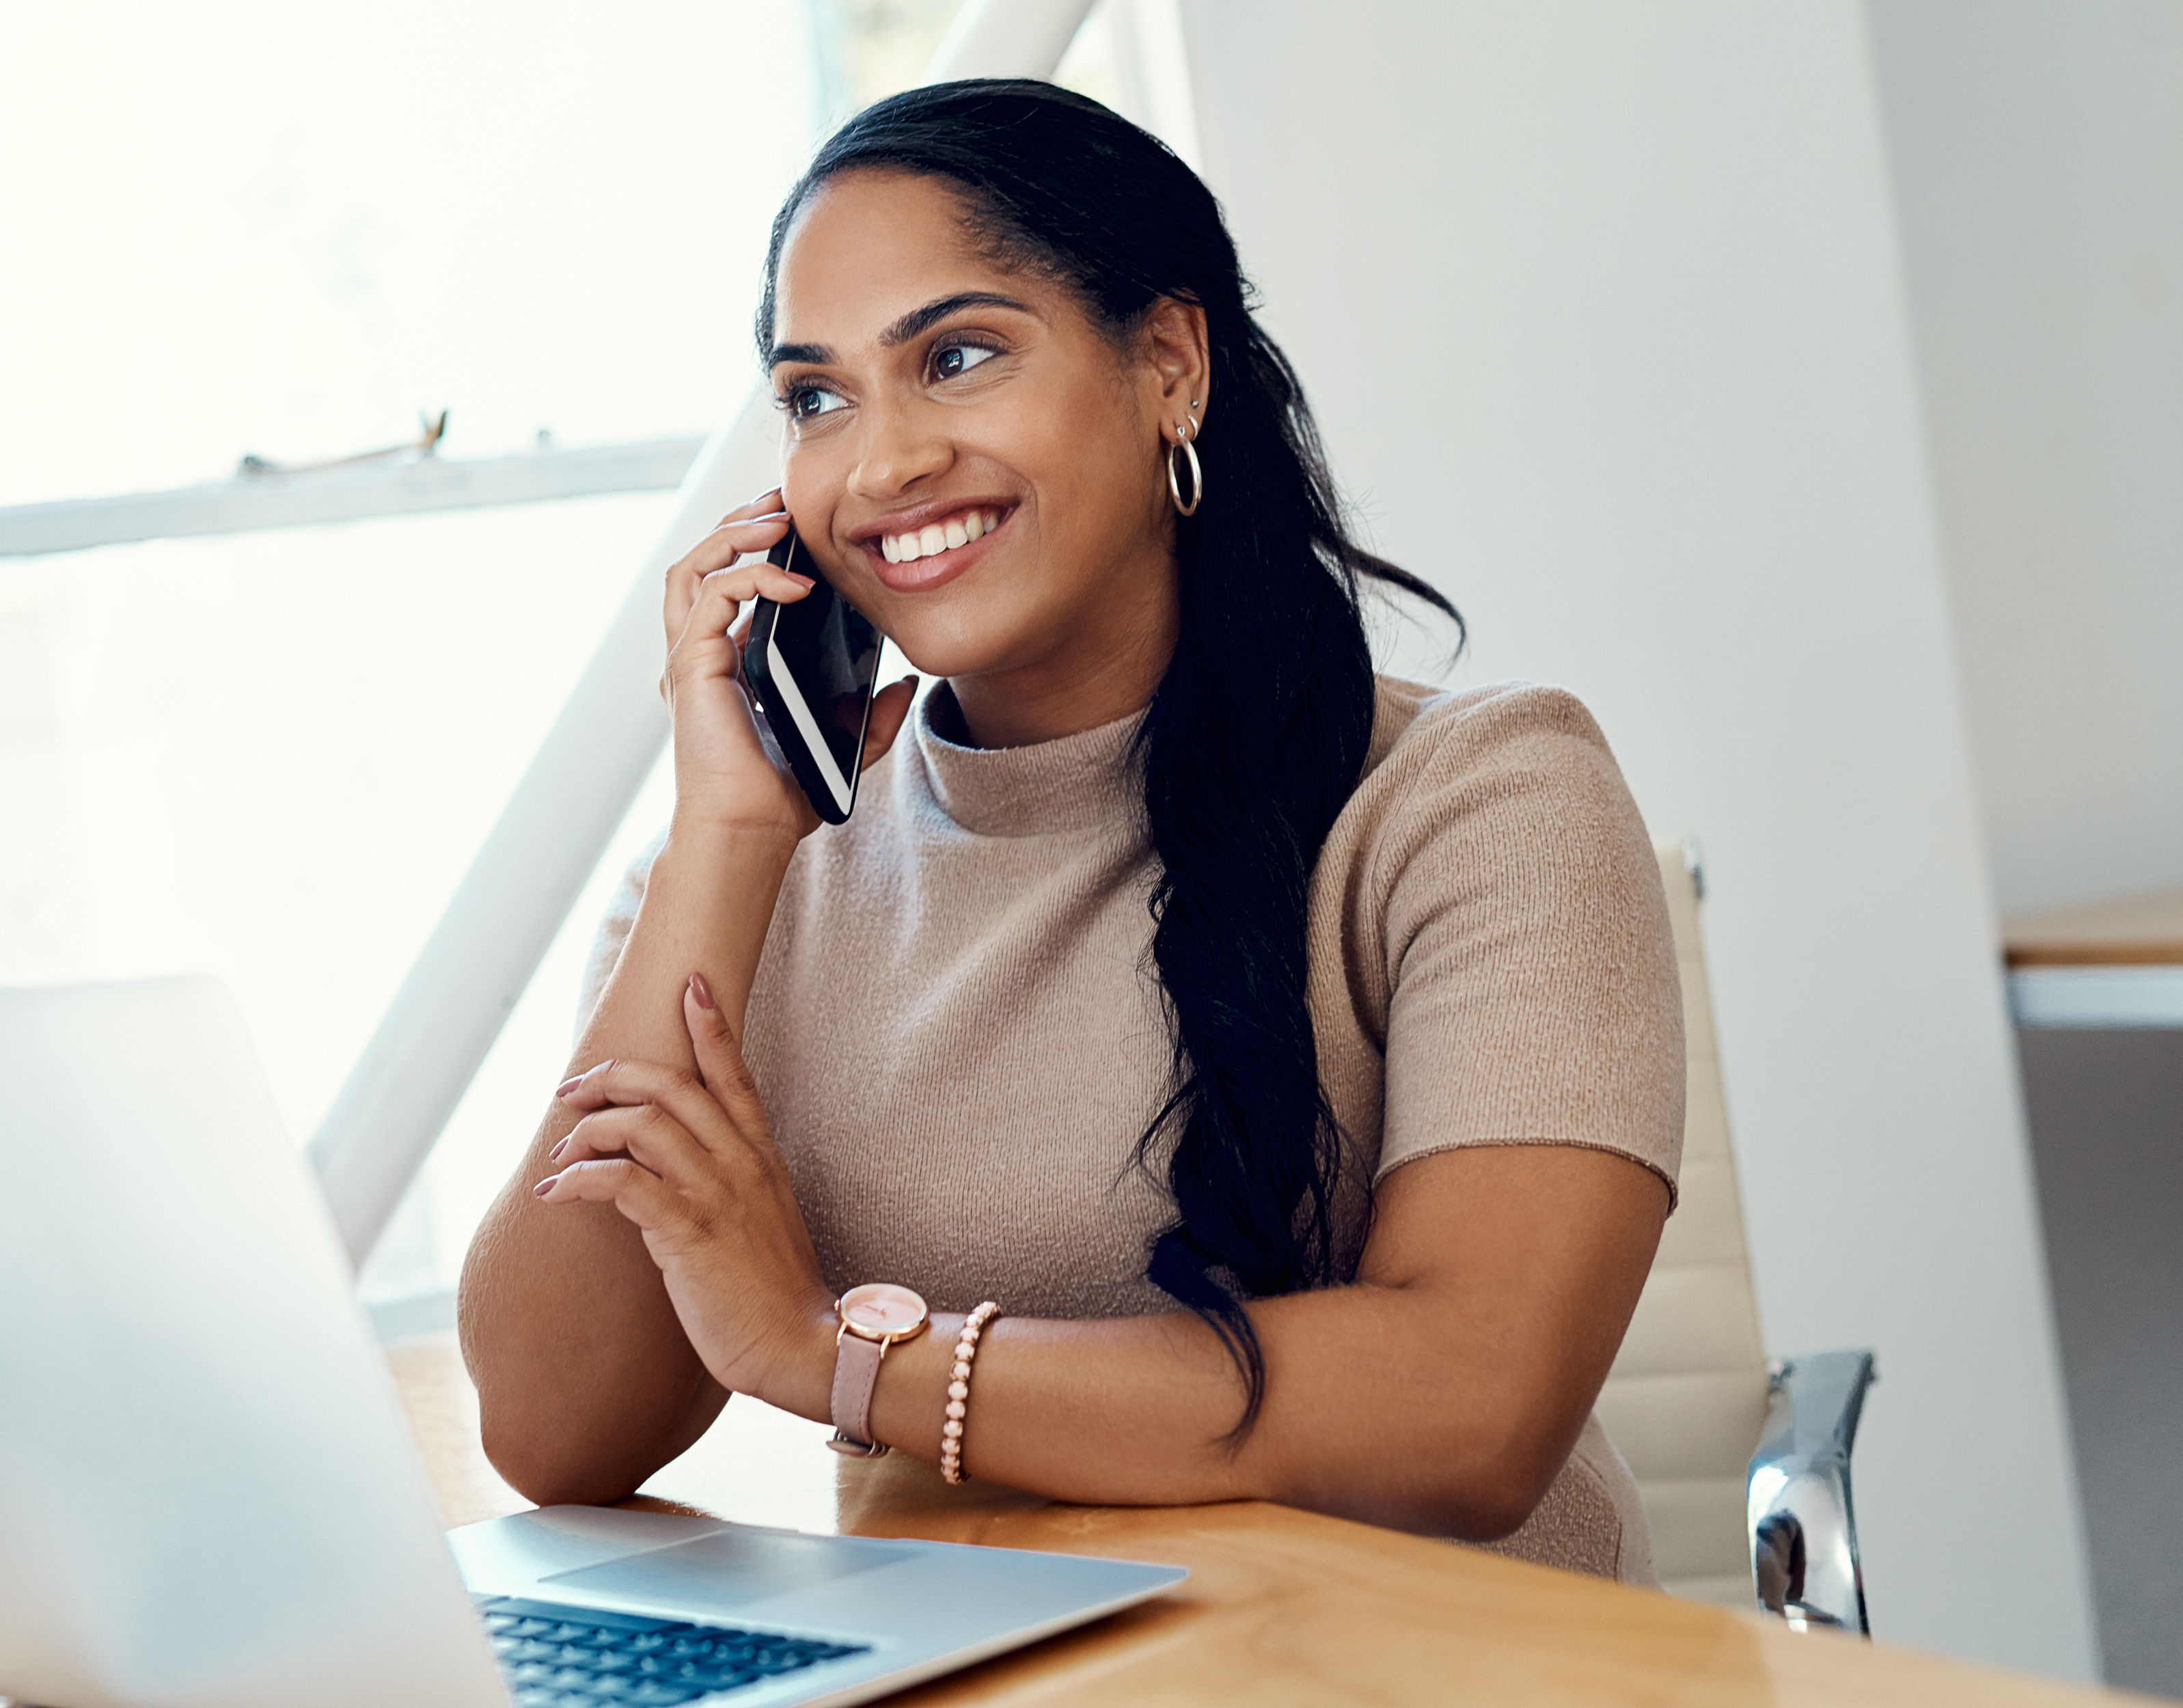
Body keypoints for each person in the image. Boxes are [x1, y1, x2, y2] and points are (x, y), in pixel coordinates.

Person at [458, 80, 1683, 1585]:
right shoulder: (751, 874)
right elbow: (553, 1428)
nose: (881, 462)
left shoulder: (1479, 794)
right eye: (816, 398)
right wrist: (725, 832)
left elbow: (1471, 1405)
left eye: (956, 356)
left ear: (1168, 363)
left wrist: (830, 1352)